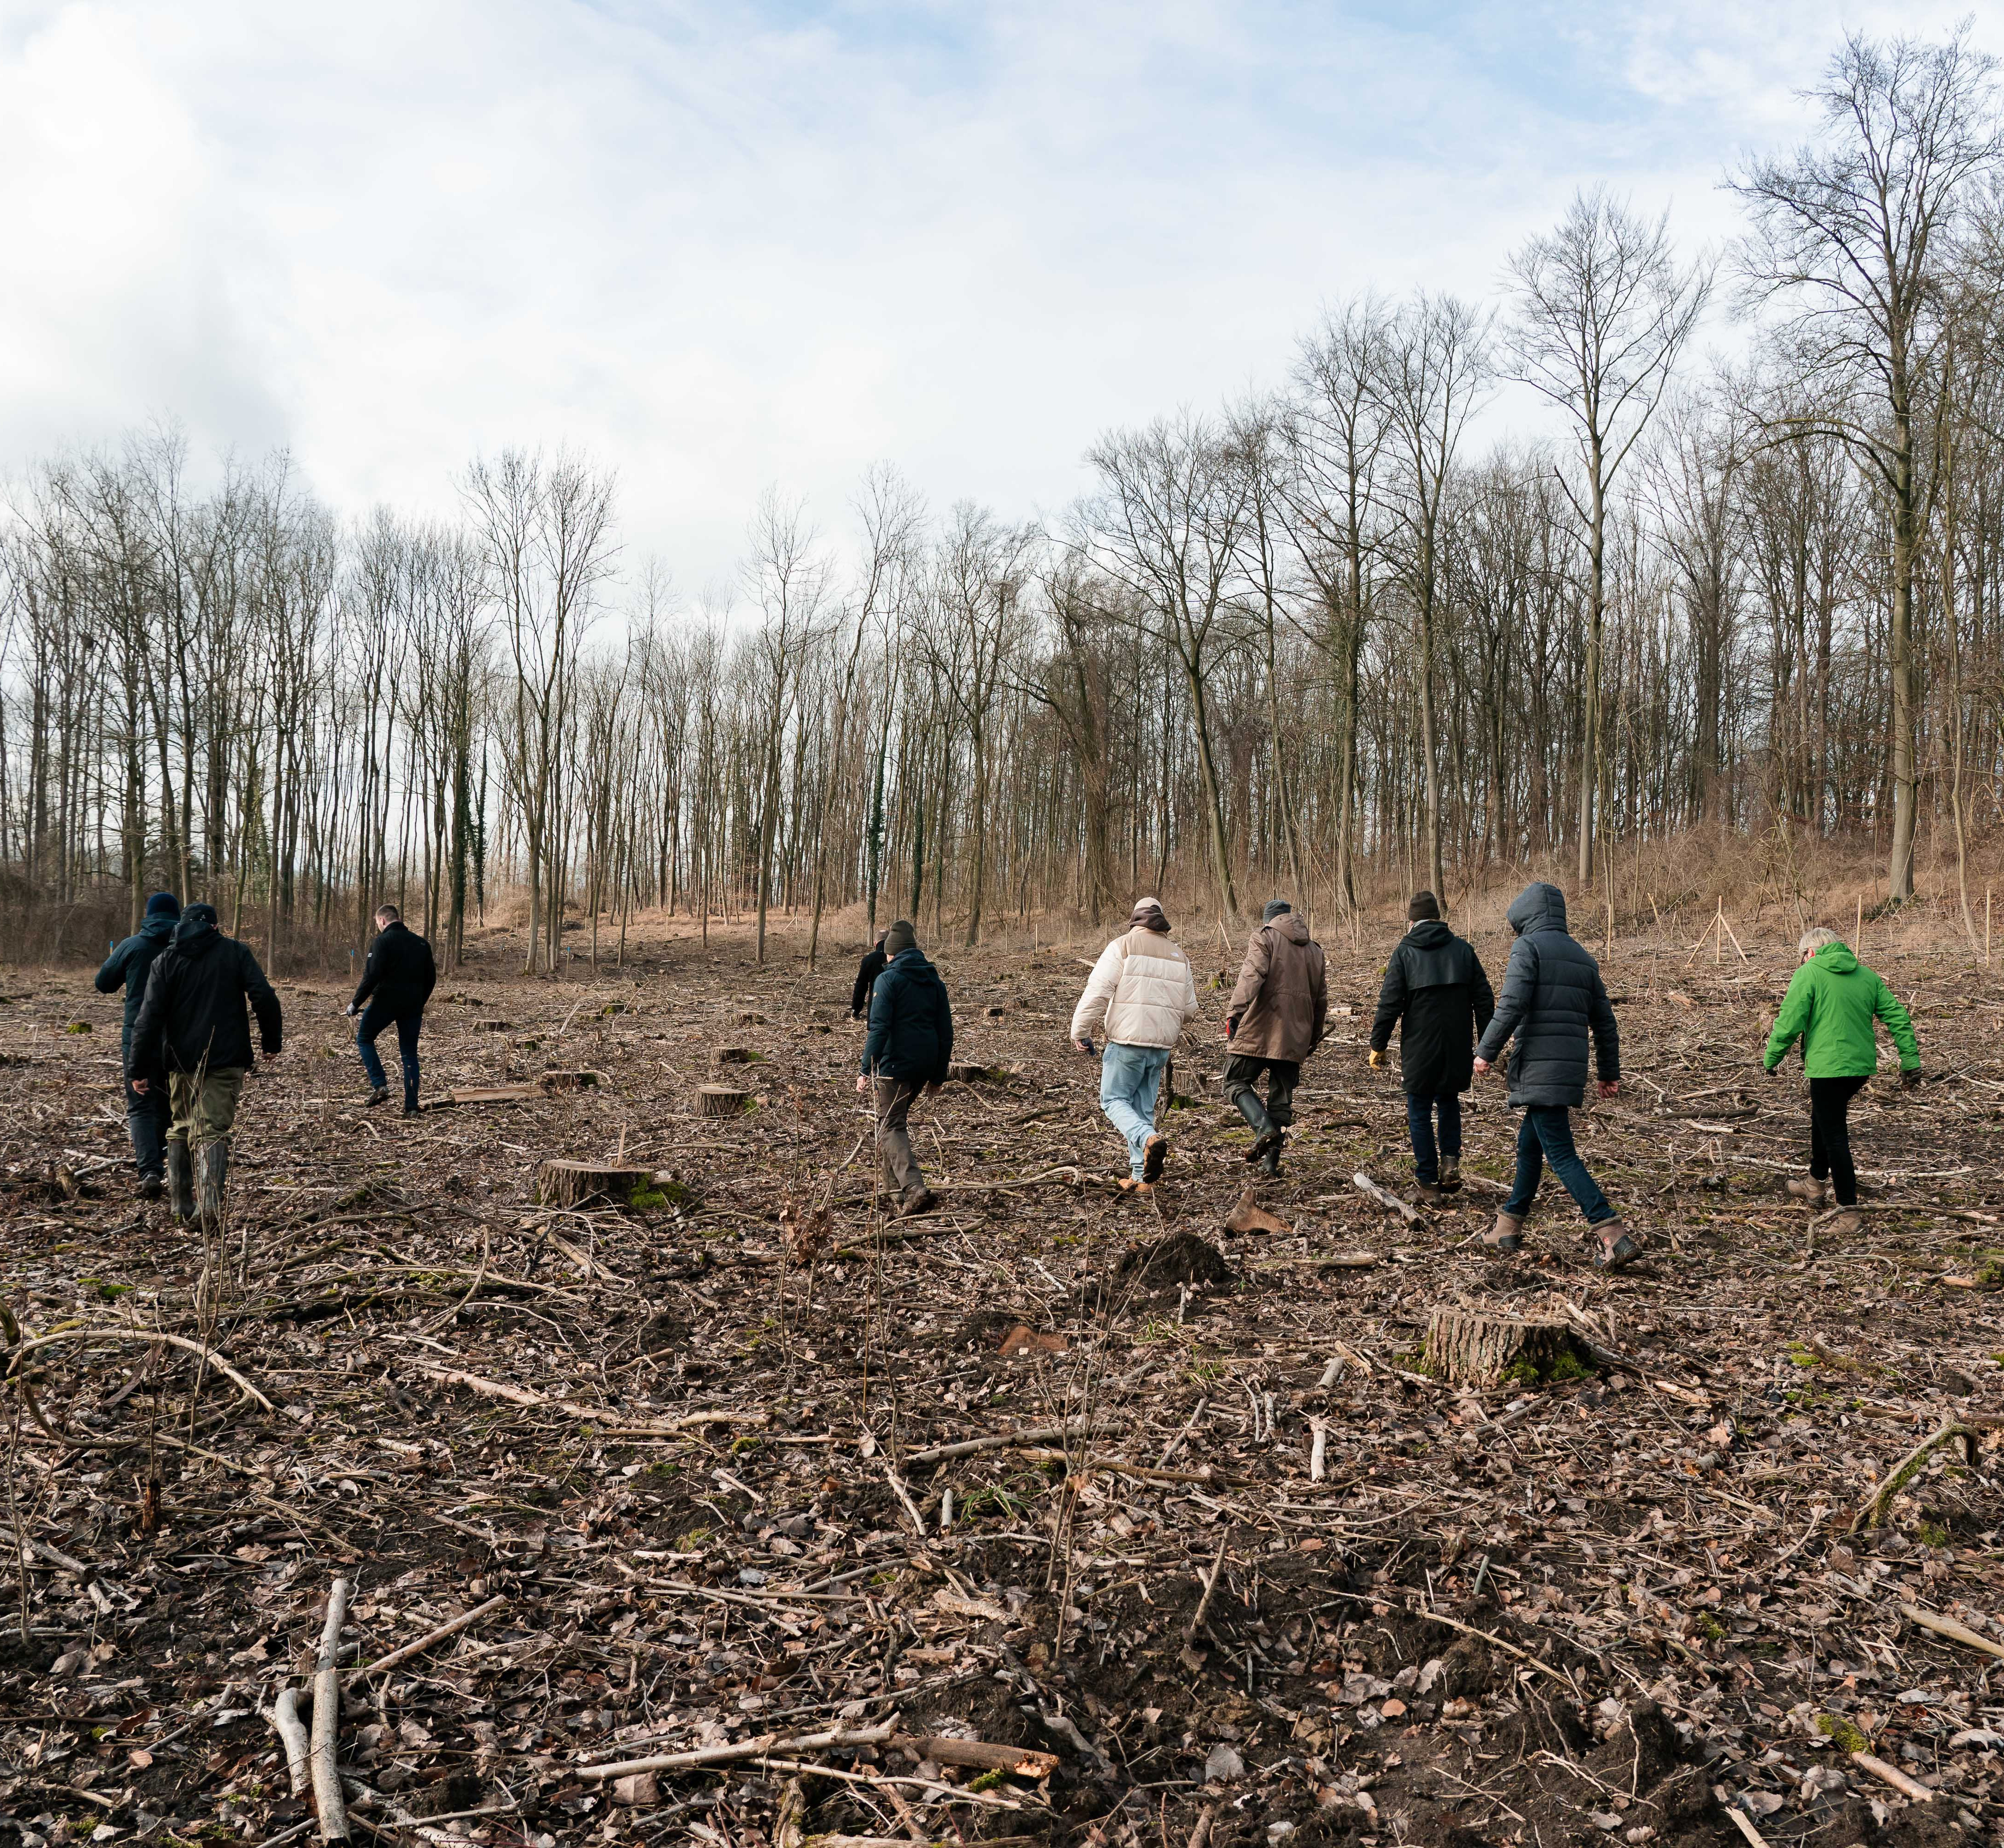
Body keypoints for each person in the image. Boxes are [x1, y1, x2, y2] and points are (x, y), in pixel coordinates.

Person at [1472, 881, 1635, 1267]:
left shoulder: (1527, 948)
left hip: (1540, 1067)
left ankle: (1613, 1234)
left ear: (1526, 916)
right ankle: (1508, 1226)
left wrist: (1485, 1052)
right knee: (1531, 1145)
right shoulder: (1583, 957)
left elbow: (1511, 1004)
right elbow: (1606, 1024)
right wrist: (1608, 1072)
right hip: (1568, 1070)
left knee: (1560, 1153)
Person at [128, 901, 283, 1228]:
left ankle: (180, 1206)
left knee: (181, 1125)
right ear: (214, 926)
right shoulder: (235, 953)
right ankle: (209, 1208)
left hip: (180, 1061)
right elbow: (264, 996)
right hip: (225, 1059)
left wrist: (138, 1069)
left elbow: (148, 1017)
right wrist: (271, 1042)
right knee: (213, 1129)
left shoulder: (166, 959)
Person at [1762, 925, 1920, 1236]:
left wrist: (1772, 1057)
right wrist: (1910, 1060)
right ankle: (1814, 1184)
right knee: (1822, 1118)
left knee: (1835, 1134)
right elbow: (1898, 1017)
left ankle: (1849, 1214)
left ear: (1810, 952)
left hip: (1827, 1068)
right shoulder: (1867, 976)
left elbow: (1790, 1019)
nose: (1801, 962)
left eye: (1801, 957)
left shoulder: (1809, 974)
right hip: (1859, 1068)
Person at [1368, 891, 1494, 1203]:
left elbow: (1389, 1004)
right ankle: (1450, 1161)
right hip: (1457, 1043)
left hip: (1419, 1046)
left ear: (1411, 921)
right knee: (1449, 1100)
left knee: (1420, 1110)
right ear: (1438, 918)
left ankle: (1427, 1183)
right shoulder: (1464, 951)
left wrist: (1378, 1045)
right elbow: (1484, 1000)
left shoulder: (1404, 953)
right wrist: (1486, 1045)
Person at [1070, 897, 1201, 1193]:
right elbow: (1190, 1010)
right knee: (1143, 1109)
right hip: (1161, 1048)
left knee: (1114, 1100)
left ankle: (1147, 1140)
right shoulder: (1179, 956)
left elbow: (1098, 992)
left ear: (1136, 921)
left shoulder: (1123, 946)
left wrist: (1080, 1030)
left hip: (1127, 1043)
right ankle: (1142, 1179)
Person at [1222, 899, 1328, 1178]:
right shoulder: (1315, 951)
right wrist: (1312, 1038)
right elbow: (1321, 1000)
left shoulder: (1264, 937)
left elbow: (1251, 975)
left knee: (1234, 1080)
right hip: (1297, 1035)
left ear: (1269, 920)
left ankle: (1263, 1129)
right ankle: (1270, 1166)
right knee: (1281, 1102)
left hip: (1261, 1028)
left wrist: (1235, 1013)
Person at [855, 920, 953, 1216]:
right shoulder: (935, 982)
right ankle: (895, 1194)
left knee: (890, 1125)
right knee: (890, 1123)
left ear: (892, 952)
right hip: (924, 1063)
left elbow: (879, 1027)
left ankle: (913, 1188)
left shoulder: (888, 980)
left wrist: (865, 1069)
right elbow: (945, 1031)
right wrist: (937, 1074)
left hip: (895, 1065)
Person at [96, 891, 183, 1201]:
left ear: (148, 915)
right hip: (179, 1038)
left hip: (138, 1038)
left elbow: (104, 983)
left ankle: (150, 1172)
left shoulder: (132, 946)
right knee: (169, 1106)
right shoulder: (187, 949)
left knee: (141, 1105)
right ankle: (166, 1166)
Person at [345, 904, 437, 1114]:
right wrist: (419, 1001)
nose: (378, 927)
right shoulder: (422, 943)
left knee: (365, 1038)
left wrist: (355, 1003)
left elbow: (371, 976)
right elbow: (431, 979)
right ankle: (412, 1107)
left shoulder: (382, 942)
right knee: (409, 1053)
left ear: (383, 921)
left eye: (378, 923)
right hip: (413, 1005)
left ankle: (380, 1084)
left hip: (385, 1002)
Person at [850, 929, 889, 1020]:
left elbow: (861, 987)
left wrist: (856, 1009)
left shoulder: (869, 960)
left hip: (876, 1007)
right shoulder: (899, 957)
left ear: (875, 944)